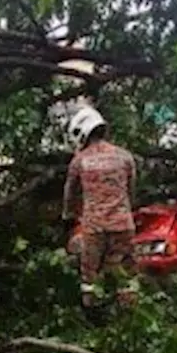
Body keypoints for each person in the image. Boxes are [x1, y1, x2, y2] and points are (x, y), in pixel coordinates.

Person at [62, 106, 138, 318]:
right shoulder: (125, 157)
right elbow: (131, 192)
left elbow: (70, 193)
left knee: (90, 277)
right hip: (123, 224)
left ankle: (93, 319)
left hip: (94, 228)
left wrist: (67, 216)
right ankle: (130, 320)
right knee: (125, 274)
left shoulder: (79, 161)